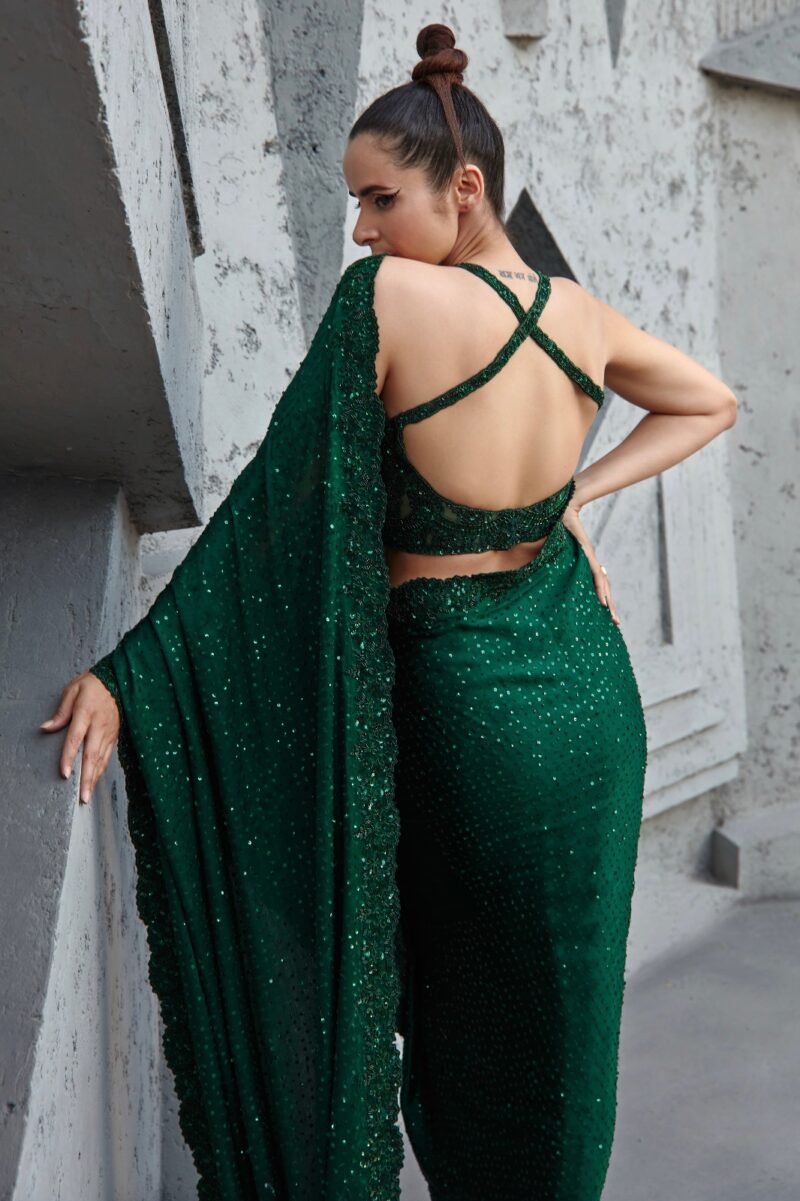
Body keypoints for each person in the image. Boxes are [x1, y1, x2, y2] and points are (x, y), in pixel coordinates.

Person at [39, 21, 737, 1201]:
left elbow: (273, 505)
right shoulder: (576, 313)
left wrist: (137, 666)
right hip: (588, 692)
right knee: (560, 1007)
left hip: (469, 706)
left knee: (460, 998)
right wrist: (575, 495)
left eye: (378, 200)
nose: (362, 231)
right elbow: (707, 402)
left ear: (463, 186)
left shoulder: (392, 298)